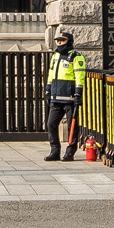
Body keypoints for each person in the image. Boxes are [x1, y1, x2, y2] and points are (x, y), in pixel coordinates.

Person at [44, 33, 87, 162]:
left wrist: (78, 93)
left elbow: (80, 75)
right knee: (51, 124)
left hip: (70, 97)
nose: (59, 43)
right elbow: (51, 73)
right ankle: (55, 151)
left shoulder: (76, 56)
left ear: (69, 41)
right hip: (56, 97)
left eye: (62, 41)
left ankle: (70, 152)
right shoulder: (55, 56)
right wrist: (48, 90)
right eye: (58, 40)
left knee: (72, 127)